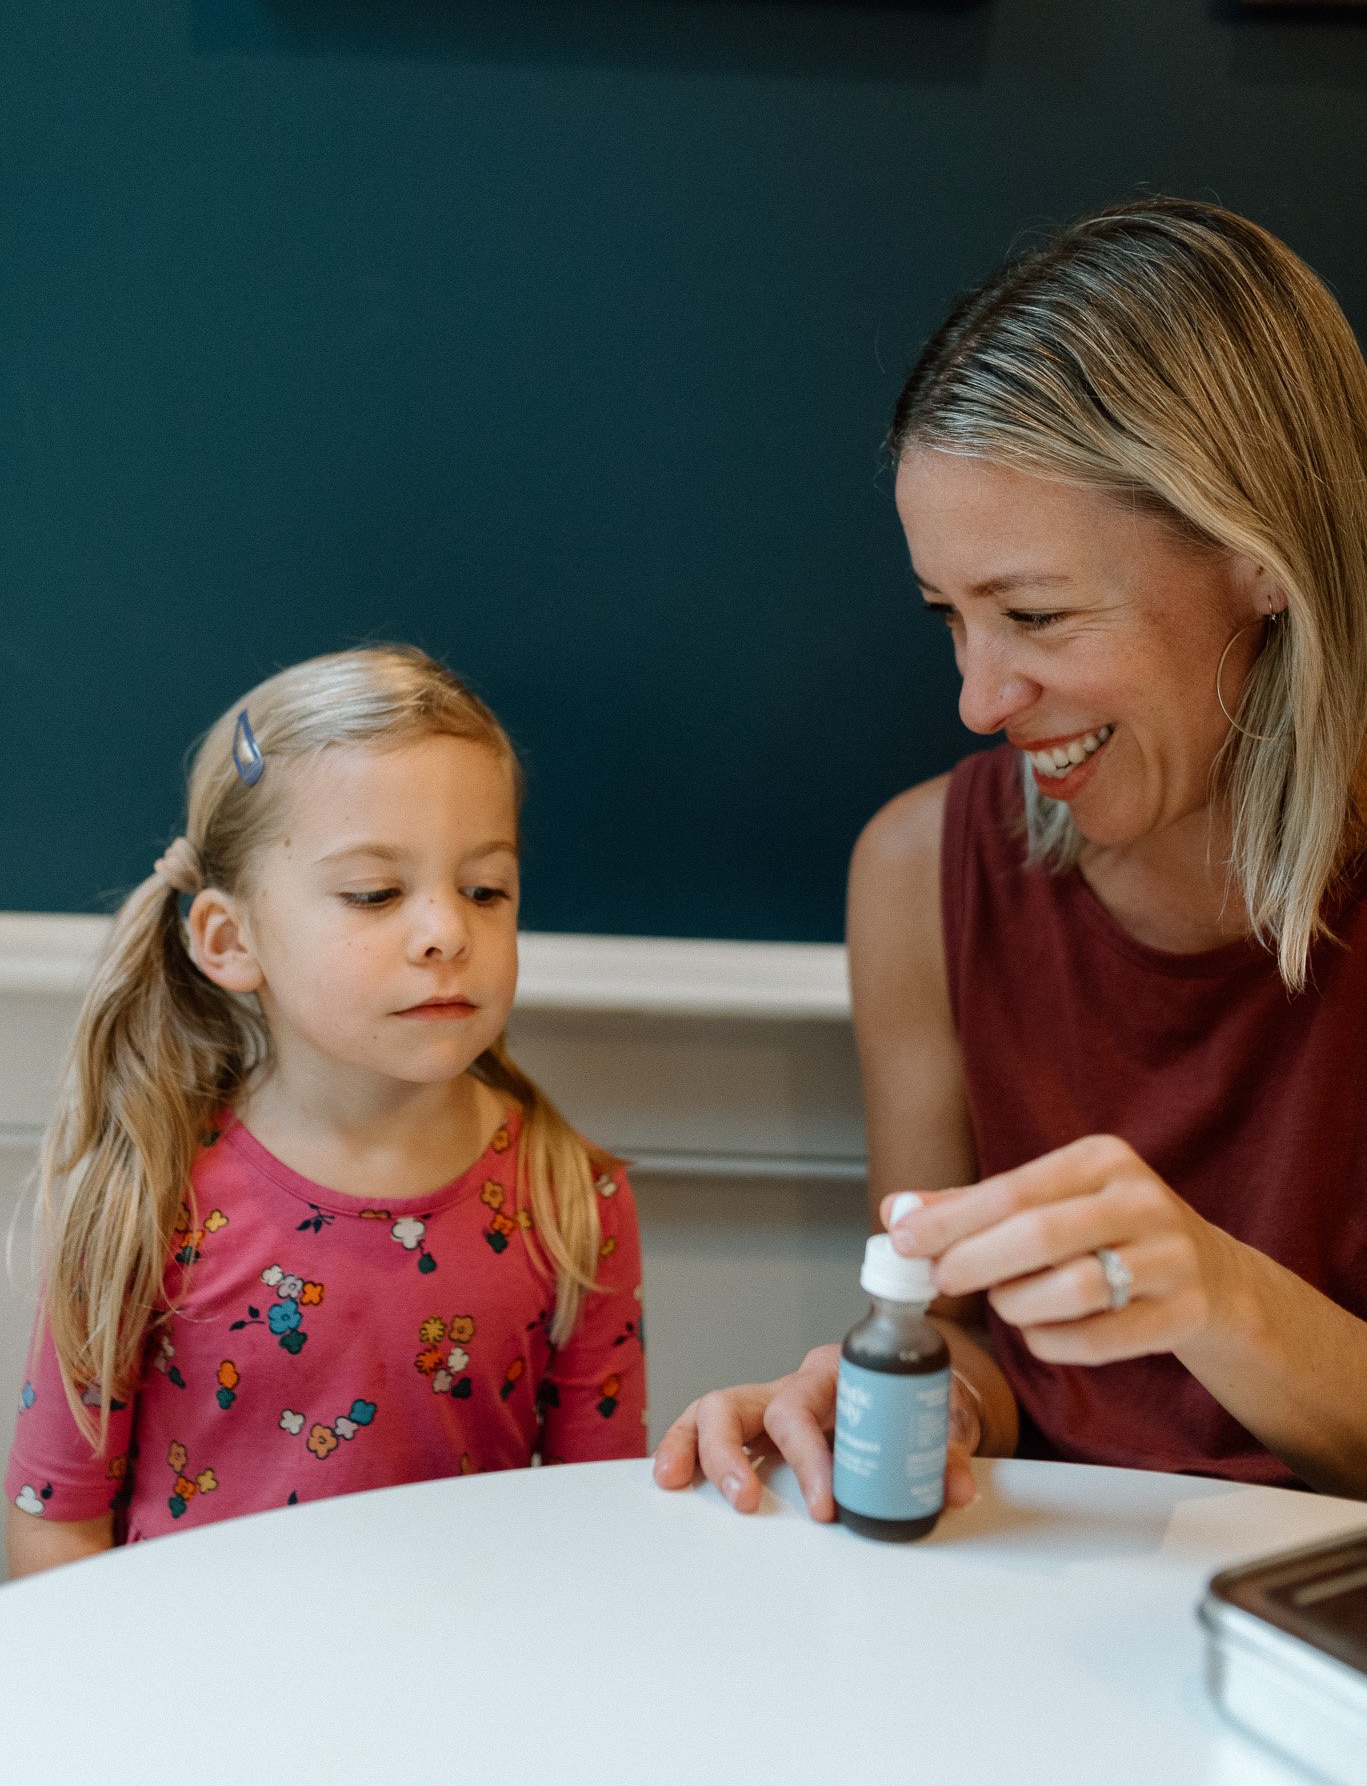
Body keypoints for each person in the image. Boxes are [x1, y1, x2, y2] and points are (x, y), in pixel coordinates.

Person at [655, 198, 1367, 1521]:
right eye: (948, 618)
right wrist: (890, 1398)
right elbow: (973, 1345)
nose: (979, 700)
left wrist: (1214, 1295)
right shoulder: (919, 872)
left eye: (1032, 614)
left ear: (1259, 565)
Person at [6, 646, 645, 1576]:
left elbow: (600, 1530)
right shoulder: (139, 1196)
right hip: (193, 1705)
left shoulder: (572, 1200)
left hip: (469, 1700)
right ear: (230, 939)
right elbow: (55, 1519)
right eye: (374, 894)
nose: (445, 932)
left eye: (485, 889)